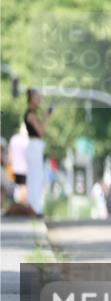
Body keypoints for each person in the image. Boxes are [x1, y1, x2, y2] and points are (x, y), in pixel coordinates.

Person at [24, 89, 49, 217]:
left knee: (36, 178)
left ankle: (34, 207)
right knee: (35, 178)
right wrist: (46, 117)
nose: (39, 100)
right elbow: (40, 132)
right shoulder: (31, 114)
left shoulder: (32, 113)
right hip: (34, 146)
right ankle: (34, 208)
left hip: (35, 146)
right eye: (37, 97)